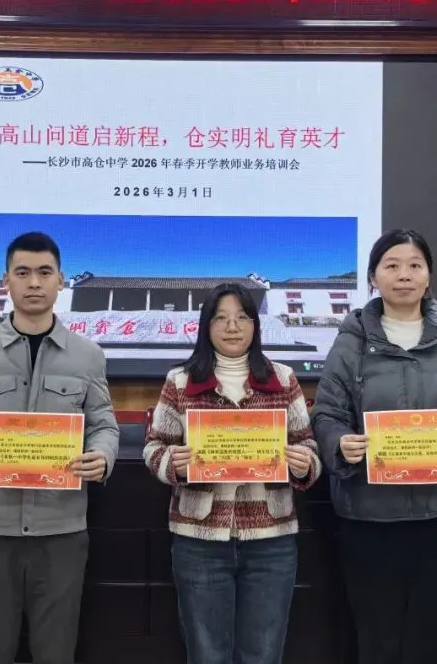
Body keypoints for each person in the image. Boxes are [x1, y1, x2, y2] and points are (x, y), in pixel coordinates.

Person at [311, 228, 437, 664]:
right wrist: (340, 444)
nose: (404, 275)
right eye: (392, 266)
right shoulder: (350, 345)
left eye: (415, 266)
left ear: (428, 276)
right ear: (373, 277)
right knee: (377, 641)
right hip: (370, 518)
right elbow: (327, 415)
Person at [0, 231, 120, 664]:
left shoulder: (88, 356)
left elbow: (104, 425)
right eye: (23, 272)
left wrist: (102, 456)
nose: (34, 282)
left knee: (56, 650)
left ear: (61, 281)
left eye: (44, 272)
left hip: (62, 531)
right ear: (6, 281)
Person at [143, 282, 321, 664]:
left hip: (271, 539)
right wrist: (171, 463)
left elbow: (307, 444)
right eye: (220, 318)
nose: (232, 327)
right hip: (200, 539)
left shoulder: (283, 378)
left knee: (263, 653)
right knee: (207, 654)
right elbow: (154, 446)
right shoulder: (180, 381)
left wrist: (305, 463)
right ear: (206, 326)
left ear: (256, 324)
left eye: (242, 317)